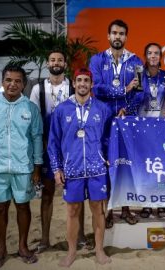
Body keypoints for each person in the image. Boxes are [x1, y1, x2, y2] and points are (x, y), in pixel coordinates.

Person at [0, 64, 43, 268]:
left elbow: (37, 138)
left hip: (23, 167)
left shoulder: (30, 108)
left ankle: (23, 247)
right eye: (8, 80)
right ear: (2, 82)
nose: (12, 84)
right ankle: (1, 249)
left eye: (17, 81)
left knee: (23, 206)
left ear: (23, 84)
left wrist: (37, 167)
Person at [48, 68, 112, 267]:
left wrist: (108, 159)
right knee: (73, 211)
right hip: (72, 169)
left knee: (98, 210)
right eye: (79, 80)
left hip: (97, 169)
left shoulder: (103, 109)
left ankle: (99, 250)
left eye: (86, 80)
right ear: (73, 84)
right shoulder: (61, 110)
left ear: (91, 84)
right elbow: (53, 142)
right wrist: (57, 169)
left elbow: (110, 138)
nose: (83, 84)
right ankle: (72, 252)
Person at [29, 49, 88, 253]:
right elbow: (35, 121)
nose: (56, 63)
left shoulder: (73, 86)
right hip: (48, 146)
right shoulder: (38, 89)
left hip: (72, 148)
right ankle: (45, 239)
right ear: (48, 64)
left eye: (60, 60)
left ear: (65, 64)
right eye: (52, 60)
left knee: (77, 194)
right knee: (47, 194)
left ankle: (80, 236)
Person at [89, 19, 142, 227]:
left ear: (126, 37)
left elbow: (140, 92)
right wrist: (123, 90)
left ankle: (126, 208)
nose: (117, 37)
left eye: (121, 33)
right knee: (108, 165)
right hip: (103, 121)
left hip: (126, 121)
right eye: (114, 33)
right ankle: (109, 210)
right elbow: (97, 88)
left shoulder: (135, 61)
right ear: (108, 36)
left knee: (126, 166)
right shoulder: (97, 60)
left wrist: (127, 110)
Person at [136, 42, 165, 219]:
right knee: (146, 166)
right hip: (143, 128)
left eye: (157, 53)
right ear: (145, 56)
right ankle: (147, 204)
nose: (153, 56)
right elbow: (133, 99)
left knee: (161, 166)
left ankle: (162, 203)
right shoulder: (138, 76)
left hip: (161, 128)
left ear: (161, 56)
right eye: (150, 53)